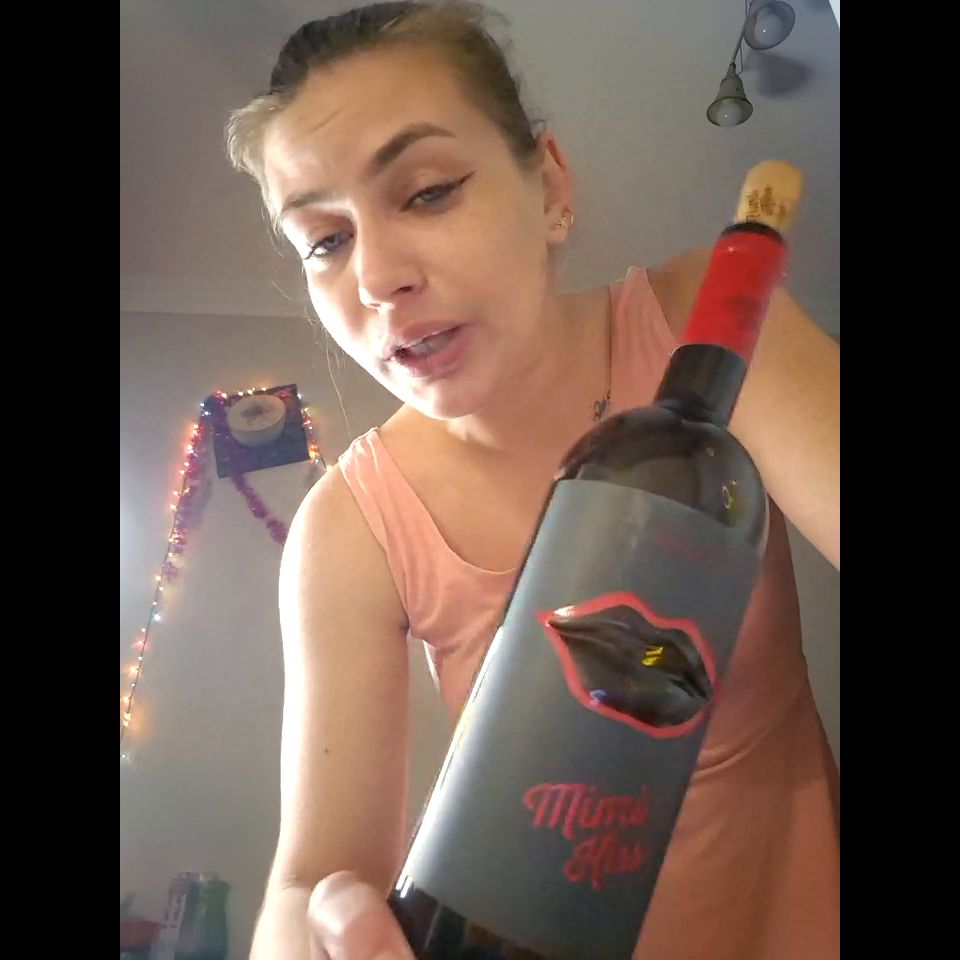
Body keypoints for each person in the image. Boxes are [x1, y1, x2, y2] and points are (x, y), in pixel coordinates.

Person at [225, 3, 840, 958]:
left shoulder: (704, 325)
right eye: (324, 241)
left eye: (428, 191)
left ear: (549, 185)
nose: (377, 276)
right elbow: (310, 880)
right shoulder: (351, 524)